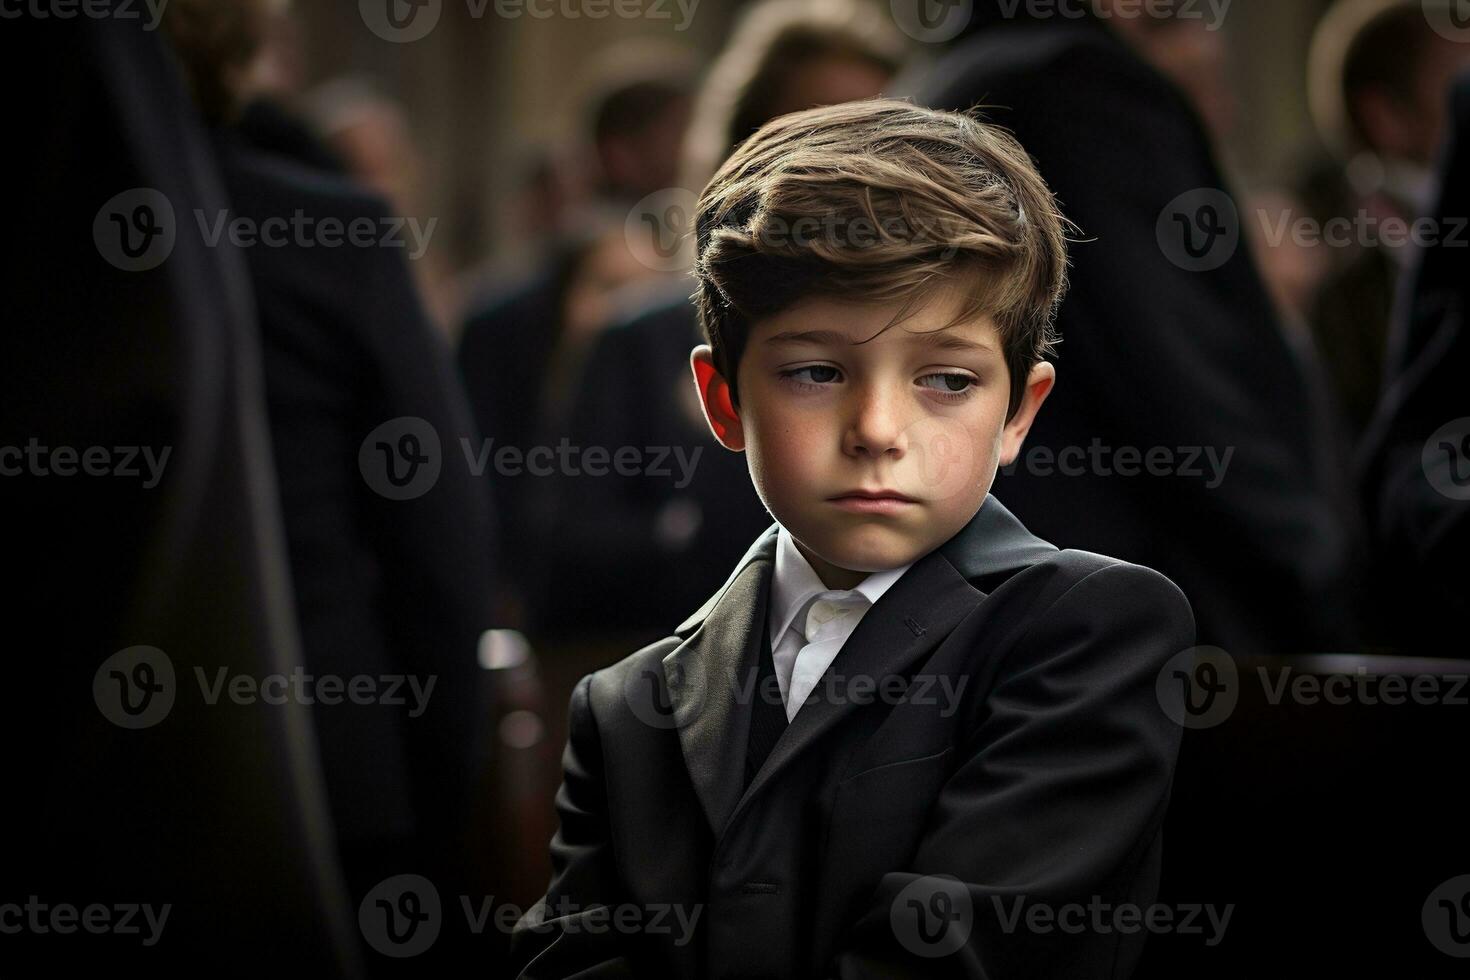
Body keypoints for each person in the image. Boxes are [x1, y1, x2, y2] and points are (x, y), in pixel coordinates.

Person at [508, 99, 1195, 979]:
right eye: (815, 372)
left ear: (1018, 413)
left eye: (946, 379)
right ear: (724, 402)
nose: (877, 428)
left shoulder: (1089, 631)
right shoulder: (626, 705)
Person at [918, 0, 1354, 657]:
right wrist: (1319, 577)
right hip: (1145, 628)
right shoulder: (1083, 88)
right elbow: (1183, 376)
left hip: (987, 604)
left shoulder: (938, 84)